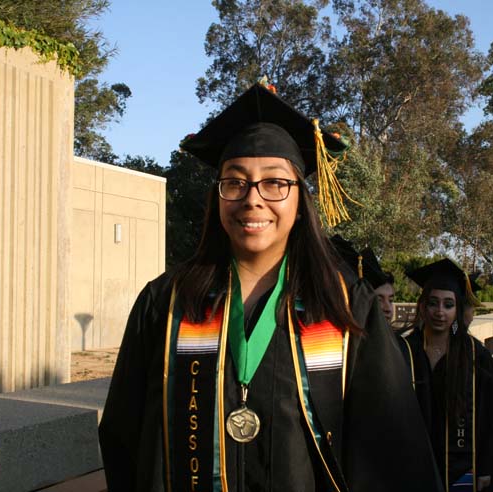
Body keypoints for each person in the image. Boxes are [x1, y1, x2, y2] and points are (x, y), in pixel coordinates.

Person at [98, 80, 441, 492]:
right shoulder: (167, 303)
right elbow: (124, 435)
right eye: (235, 182)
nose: (252, 199)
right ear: (217, 197)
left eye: (275, 183)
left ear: (300, 204)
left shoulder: (343, 305)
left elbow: (393, 449)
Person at [399, 258, 493, 491]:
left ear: (457, 309)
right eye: (433, 303)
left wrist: (485, 466)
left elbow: (491, 414)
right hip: (412, 460)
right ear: (422, 307)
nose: (440, 312)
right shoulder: (404, 349)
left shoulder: (475, 354)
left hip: (461, 466)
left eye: (448, 304)